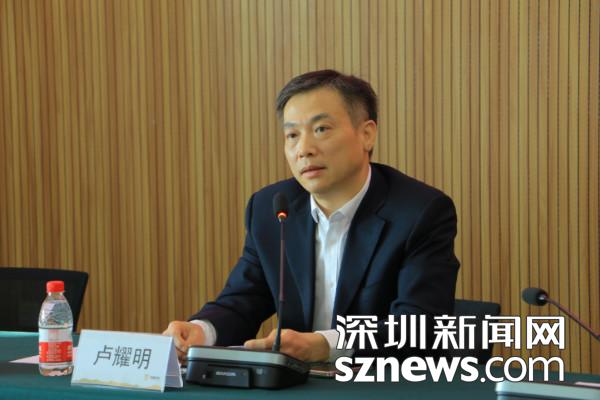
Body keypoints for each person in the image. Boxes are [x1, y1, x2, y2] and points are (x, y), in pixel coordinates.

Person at [163, 69, 460, 363]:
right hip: (300, 384)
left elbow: (419, 326)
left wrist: (326, 345)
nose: (303, 150)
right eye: (292, 135)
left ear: (366, 134)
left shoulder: (420, 212)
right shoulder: (271, 208)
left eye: (321, 129)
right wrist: (202, 331)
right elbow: (243, 301)